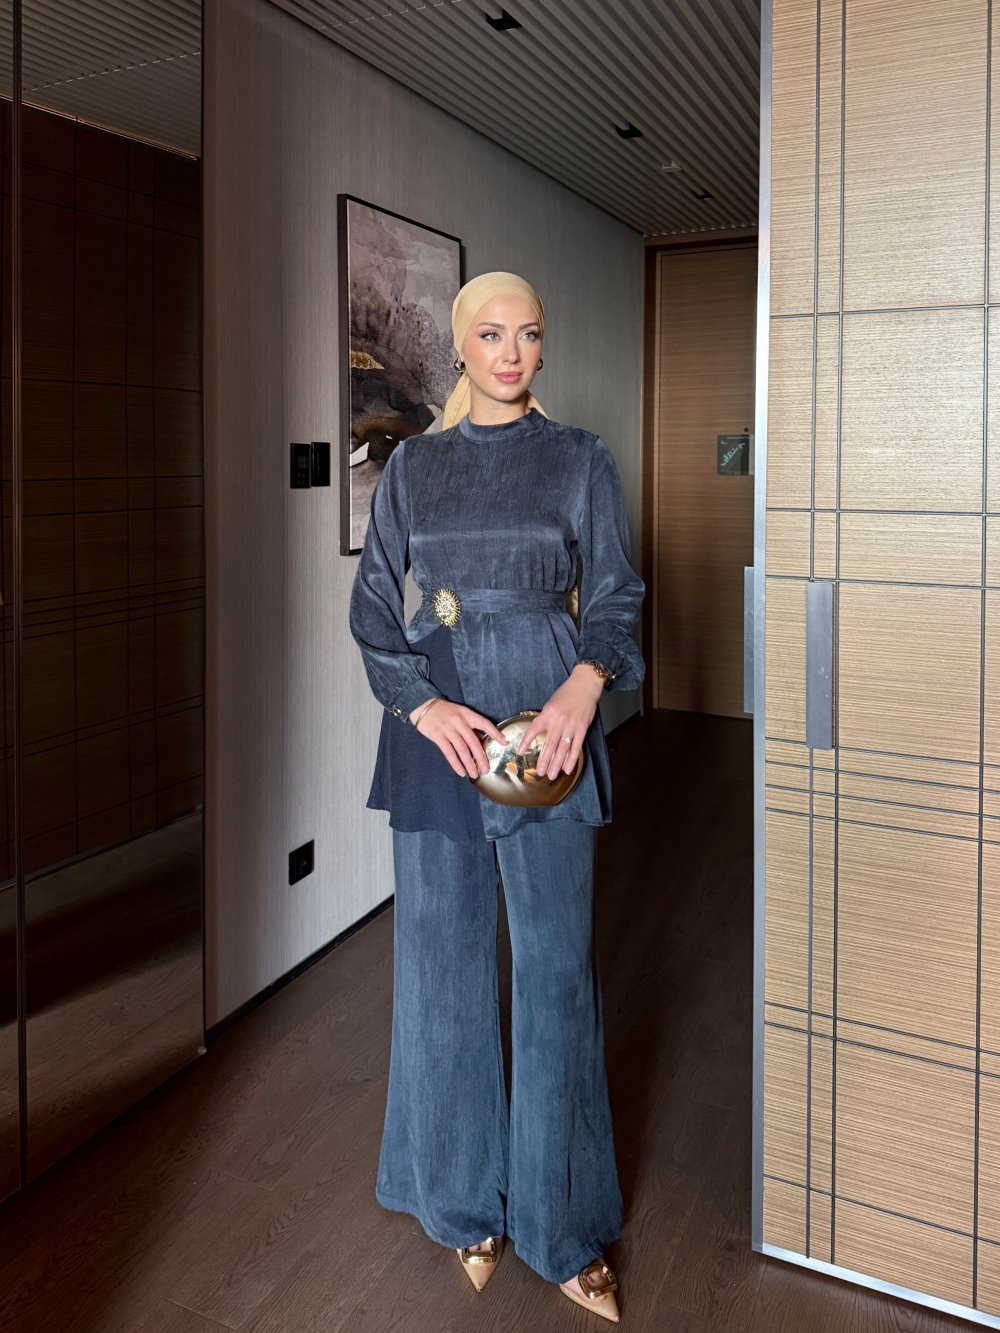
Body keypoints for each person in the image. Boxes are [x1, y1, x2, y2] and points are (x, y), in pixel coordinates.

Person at [349, 270, 645, 1324]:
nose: (510, 352)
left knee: (556, 971)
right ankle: (462, 1202)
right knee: (442, 970)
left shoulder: (580, 459)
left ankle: (562, 1225)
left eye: (527, 333)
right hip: (439, 739)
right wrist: (422, 705)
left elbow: (615, 594)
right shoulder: (413, 468)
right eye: (489, 333)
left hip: (544, 736)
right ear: (460, 347)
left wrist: (583, 683)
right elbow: (373, 609)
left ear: (542, 345)